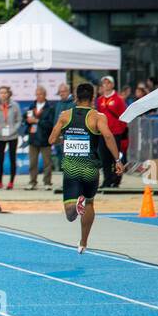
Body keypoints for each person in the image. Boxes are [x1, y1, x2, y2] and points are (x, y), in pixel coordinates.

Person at [49, 81, 123, 254]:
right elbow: (108, 136)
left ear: (75, 97)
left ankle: (75, 207)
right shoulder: (98, 117)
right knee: (89, 203)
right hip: (90, 169)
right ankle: (83, 242)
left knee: (69, 214)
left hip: (71, 168)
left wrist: (65, 139)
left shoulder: (65, 115)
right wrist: (117, 160)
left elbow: (51, 140)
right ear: (93, 98)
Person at [95, 76, 129, 188]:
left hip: (115, 134)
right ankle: (107, 180)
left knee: (116, 157)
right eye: (104, 83)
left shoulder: (118, 99)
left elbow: (124, 117)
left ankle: (116, 179)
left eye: (108, 82)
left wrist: (120, 130)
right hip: (103, 134)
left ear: (112, 85)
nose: (106, 85)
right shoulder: (99, 100)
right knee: (105, 158)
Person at [24, 86, 56, 190]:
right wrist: (27, 121)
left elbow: (50, 124)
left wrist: (37, 121)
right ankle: (32, 182)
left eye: (40, 94)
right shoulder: (31, 106)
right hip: (33, 138)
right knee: (33, 162)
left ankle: (47, 182)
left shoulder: (50, 107)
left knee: (47, 163)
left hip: (45, 139)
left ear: (45, 95)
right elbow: (26, 120)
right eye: (37, 94)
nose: (38, 96)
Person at [0, 86, 21, 189]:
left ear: (8, 93)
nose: (3, 95)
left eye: (4, 93)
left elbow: (19, 120)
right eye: (1, 93)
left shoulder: (15, 105)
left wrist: (13, 130)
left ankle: (11, 182)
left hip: (13, 136)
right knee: (0, 159)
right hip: (0, 136)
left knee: (12, 158)